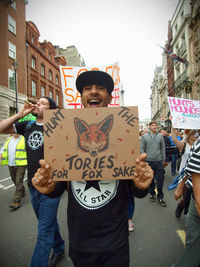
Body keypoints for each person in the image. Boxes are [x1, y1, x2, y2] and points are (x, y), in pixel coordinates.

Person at [31, 70, 154, 267]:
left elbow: (136, 191)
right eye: (87, 88)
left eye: (101, 88)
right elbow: (59, 188)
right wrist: (50, 188)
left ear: (110, 97)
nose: (94, 92)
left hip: (116, 243)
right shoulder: (64, 134)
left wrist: (141, 186)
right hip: (80, 242)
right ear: (81, 97)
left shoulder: (125, 134)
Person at [0, 97, 65, 267]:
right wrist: (20, 114)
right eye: (38, 101)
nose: (37, 104)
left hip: (52, 185)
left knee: (44, 231)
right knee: (47, 223)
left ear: (51, 109)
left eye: (43, 103)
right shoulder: (27, 125)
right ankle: (59, 248)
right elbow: (1, 128)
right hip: (33, 185)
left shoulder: (58, 126)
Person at [171, 135, 200, 266]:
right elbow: (190, 168)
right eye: (191, 136)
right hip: (192, 188)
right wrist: (180, 187)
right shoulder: (193, 145)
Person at [171, 125, 199, 218]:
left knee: (195, 197)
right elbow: (174, 139)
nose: (195, 136)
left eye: (197, 134)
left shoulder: (198, 145)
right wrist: (173, 126)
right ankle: (180, 206)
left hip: (196, 175)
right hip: (185, 175)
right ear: (189, 135)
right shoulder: (183, 145)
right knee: (186, 197)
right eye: (193, 134)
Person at [140, 121, 166, 207]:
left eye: (155, 125)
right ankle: (152, 193)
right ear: (149, 126)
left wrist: (163, 159)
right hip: (148, 161)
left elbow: (162, 148)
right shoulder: (144, 137)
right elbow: (142, 148)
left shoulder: (160, 136)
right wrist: (143, 160)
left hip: (158, 161)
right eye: (152, 125)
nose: (154, 127)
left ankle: (160, 196)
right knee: (150, 179)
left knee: (160, 179)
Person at [0, 134, 27, 210]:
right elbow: (3, 149)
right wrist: (1, 155)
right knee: (14, 180)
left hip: (21, 164)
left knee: (18, 181)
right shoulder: (9, 139)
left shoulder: (24, 139)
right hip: (11, 164)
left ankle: (17, 201)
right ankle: (22, 190)